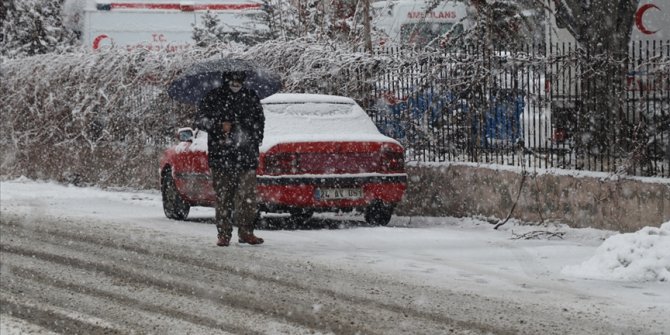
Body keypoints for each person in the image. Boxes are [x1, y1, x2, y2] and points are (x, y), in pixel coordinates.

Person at [195, 71, 265, 247]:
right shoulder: (213, 97)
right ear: (226, 79)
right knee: (224, 196)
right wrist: (219, 126)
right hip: (221, 156)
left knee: (248, 196)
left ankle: (246, 231)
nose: (236, 83)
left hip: (247, 155)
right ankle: (224, 233)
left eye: (239, 79)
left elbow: (260, 121)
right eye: (233, 79)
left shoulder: (250, 96)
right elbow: (201, 120)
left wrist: (252, 137)